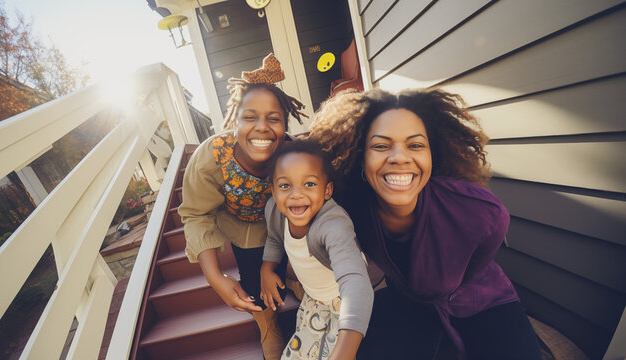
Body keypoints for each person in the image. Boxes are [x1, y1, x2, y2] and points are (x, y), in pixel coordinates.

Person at [308, 89, 542, 360]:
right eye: (381, 146)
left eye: (415, 145)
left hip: (481, 299)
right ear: (361, 155)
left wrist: (452, 283)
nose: (399, 157)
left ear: (433, 153)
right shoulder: (351, 205)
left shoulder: (477, 210)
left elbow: (488, 241)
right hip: (410, 300)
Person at [178, 53, 307, 360]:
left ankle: (294, 278)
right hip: (243, 226)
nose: (262, 127)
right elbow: (197, 213)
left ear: (286, 123)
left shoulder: (293, 153)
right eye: (250, 117)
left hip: (286, 222)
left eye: (274, 118)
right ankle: (267, 322)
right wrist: (215, 276)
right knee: (251, 275)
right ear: (233, 120)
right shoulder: (212, 157)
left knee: (303, 254)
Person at [260, 139, 373, 360]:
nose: (296, 194)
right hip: (314, 299)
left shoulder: (332, 224)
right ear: (273, 191)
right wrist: (267, 268)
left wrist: (345, 353)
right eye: (285, 186)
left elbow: (355, 281)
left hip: (346, 299)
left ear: (327, 190)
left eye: (309, 184)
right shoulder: (274, 210)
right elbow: (275, 239)